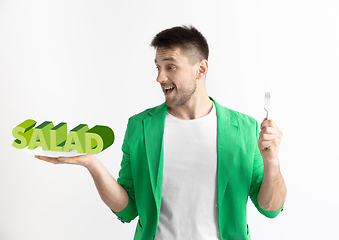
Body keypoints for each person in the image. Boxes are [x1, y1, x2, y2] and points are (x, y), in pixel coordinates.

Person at [35, 25, 286, 240]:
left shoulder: (244, 128)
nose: (160, 77)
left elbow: (271, 208)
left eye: (170, 67)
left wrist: (271, 160)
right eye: (157, 67)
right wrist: (92, 164)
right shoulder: (140, 126)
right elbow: (127, 209)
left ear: (201, 69)